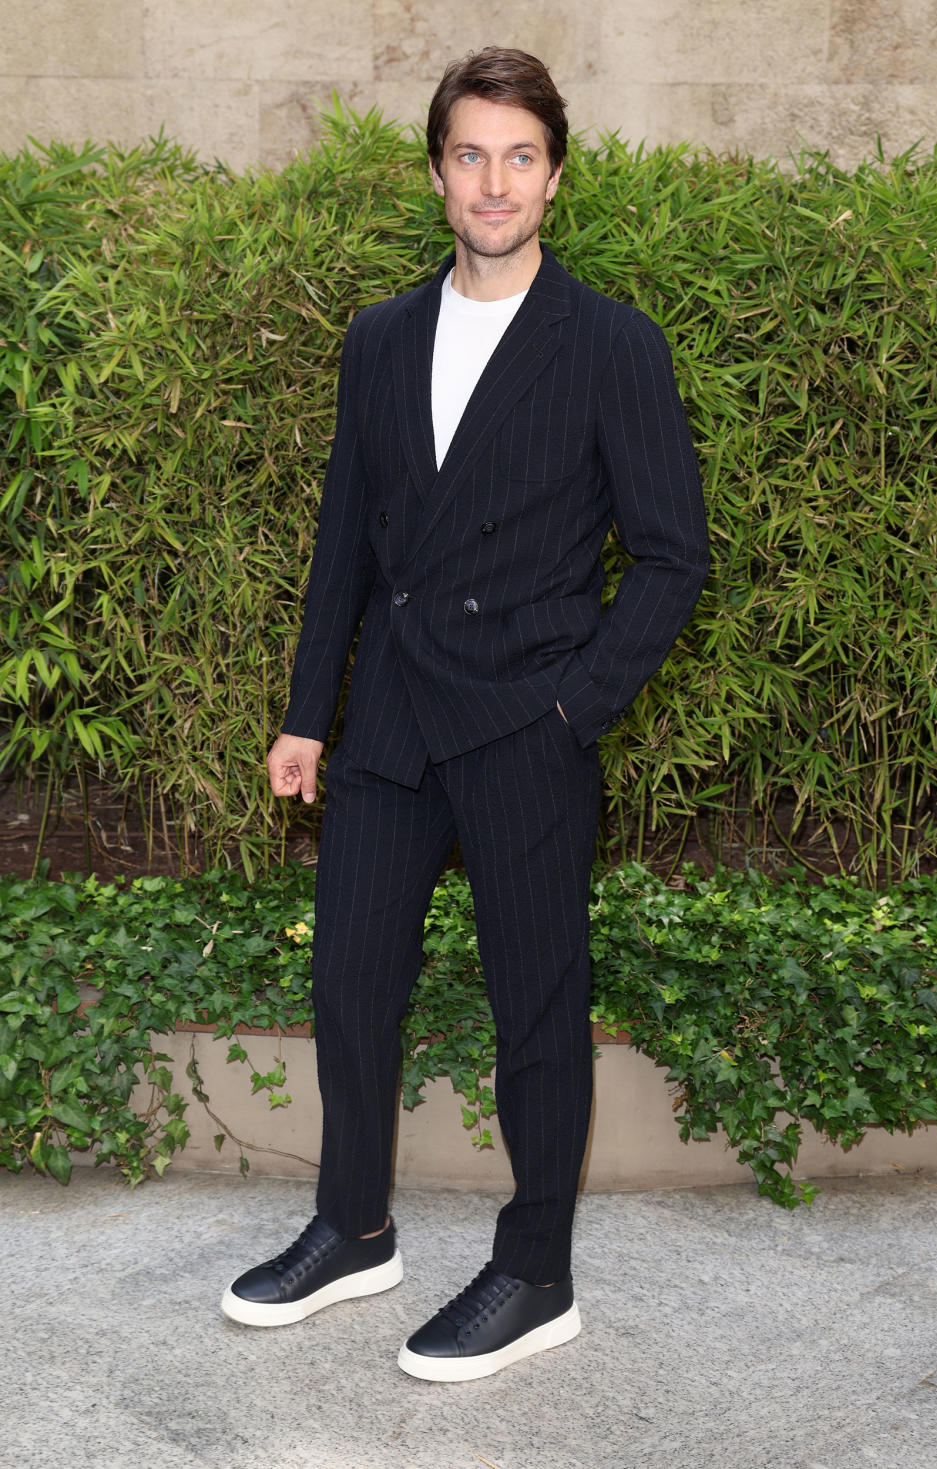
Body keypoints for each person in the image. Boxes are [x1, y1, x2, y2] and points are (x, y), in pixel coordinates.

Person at [220, 46, 709, 1382]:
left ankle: (536, 1268)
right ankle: (352, 1222)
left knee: (537, 1006)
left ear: (554, 175)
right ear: (436, 173)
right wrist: (307, 712)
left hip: (523, 721)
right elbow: (345, 548)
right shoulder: (379, 338)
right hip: (389, 720)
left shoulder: (611, 343)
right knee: (349, 981)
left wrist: (576, 707)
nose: (494, 181)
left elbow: (674, 554)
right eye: (470, 154)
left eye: (520, 155)